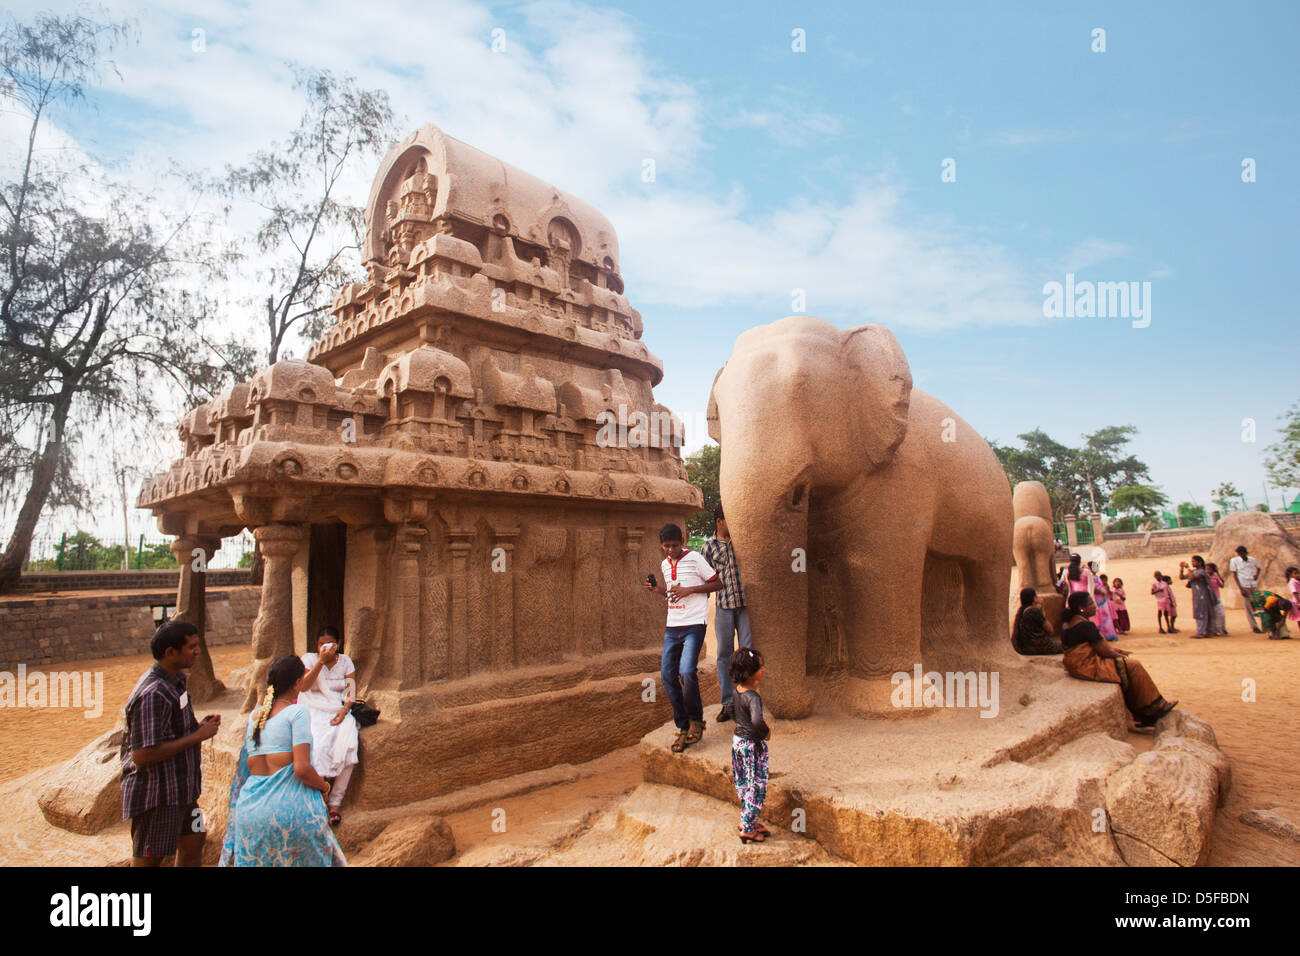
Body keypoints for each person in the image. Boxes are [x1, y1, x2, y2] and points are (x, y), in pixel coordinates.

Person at [220, 655, 347, 866]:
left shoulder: (254, 718)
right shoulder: (296, 713)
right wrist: (324, 787)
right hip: (289, 814)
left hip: (249, 813)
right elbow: (302, 768)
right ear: (297, 683)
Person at [120, 620, 222, 867]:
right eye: (192, 647)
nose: (198, 651)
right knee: (149, 857)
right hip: (158, 795)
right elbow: (142, 754)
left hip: (183, 791)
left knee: (195, 839)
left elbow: (169, 731)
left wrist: (196, 728)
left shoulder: (175, 681)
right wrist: (198, 736)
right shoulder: (154, 693)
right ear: (170, 653)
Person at [645, 523, 721, 753]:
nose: (670, 550)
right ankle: (683, 725)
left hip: (694, 625)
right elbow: (671, 594)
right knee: (668, 676)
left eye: (674, 545)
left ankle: (696, 721)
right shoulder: (664, 564)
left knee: (687, 671)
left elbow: (717, 583)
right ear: (661, 545)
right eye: (666, 546)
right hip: (673, 626)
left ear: (683, 542)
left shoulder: (695, 558)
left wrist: (690, 590)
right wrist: (658, 589)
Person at [1059, 591, 1177, 726]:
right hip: (1087, 666)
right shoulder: (1085, 626)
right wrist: (1120, 656)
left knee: (1127, 667)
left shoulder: (1068, 624)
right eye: (1091, 603)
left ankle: (1142, 713)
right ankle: (1155, 707)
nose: (1095, 606)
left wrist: (1116, 652)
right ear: (1082, 608)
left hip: (1075, 665)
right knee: (1133, 666)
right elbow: (1104, 651)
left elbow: (1092, 647)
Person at [300, 626, 360, 827]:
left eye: (329, 644)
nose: (324, 647)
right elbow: (304, 687)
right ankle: (319, 800)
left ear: (338, 644)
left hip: (339, 708)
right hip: (314, 708)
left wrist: (344, 710)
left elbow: (351, 690)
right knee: (318, 745)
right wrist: (321, 661)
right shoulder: (309, 659)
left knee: (348, 743)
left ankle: (335, 803)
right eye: (320, 644)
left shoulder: (345, 661)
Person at [700, 504, 752, 723]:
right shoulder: (708, 548)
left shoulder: (742, 542)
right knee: (724, 654)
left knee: (748, 652)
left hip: (745, 607)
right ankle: (727, 703)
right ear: (720, 521)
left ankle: (749, 700)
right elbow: (703, 578)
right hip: (723, 607)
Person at [729, 647, 770, 844]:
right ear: (750, 672)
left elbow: (728, 710)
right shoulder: (753, 697)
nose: (764, 670)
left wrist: (739, 723)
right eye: (760, 667)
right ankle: (747, 827)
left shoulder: (737, 691)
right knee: (756, 785)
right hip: (752, 745)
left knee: (744, 783)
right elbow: (756, 721)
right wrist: (765, 732)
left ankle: (749, 820)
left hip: (737, 741)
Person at [1012, 587, 1063, 655]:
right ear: (1034, 598)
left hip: (1025, 647)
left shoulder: (1021, 611)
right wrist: (1041, 609)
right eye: (1036, 596)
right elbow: (1050, 630)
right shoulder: (1034, 611)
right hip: (1038, 646)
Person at [1179, 556, 1221, 638]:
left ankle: (1201, 631)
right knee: (1201, 612)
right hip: (1197, 595)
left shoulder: (1202, 572)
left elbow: (1193, 577)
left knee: (1202, 612)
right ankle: (1206, 631)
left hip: (1203, 595)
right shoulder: (1194, 571)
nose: (1192, 563)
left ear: (1200, 562)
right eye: (1192, 561)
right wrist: (1181, 568)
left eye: (1194, 561)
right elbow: (1181, 577)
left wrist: (1188, 568)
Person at [1229, 546, 1264, 633]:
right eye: (1239, 554)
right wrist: (1240, 588)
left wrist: (1256, 575)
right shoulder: (1234, 561)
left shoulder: (1252, 560)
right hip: (1244, 585)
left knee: (1259, 604)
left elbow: (1259, 568)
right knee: (1248, 606)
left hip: (1253, 584)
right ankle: (1254, 626)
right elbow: (1234, 574)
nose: (1241, 555)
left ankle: (1264, 624)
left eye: (1242, 554)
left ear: (1245, 553)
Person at [1090, 562, 1118, 641]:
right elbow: (1094, 588)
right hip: (1098, 600)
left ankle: (1107, 634)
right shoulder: (1092, 577)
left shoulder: (1097, 577)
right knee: (1099, 617)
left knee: (1105, 617)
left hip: (1103, 600)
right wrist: (1102, 592)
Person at [1206, 564, 1229, 635]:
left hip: (1217, 597)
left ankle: (1221, 629)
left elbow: (1222, 585)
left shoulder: (1216, 576)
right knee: (1211, 615)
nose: (1208, 571)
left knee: (1221, 614)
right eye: (1206, 569)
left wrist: (1217, 578)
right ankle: (1213, 630)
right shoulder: (1205, 577)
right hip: (1208, 597)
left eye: (1209, 569)